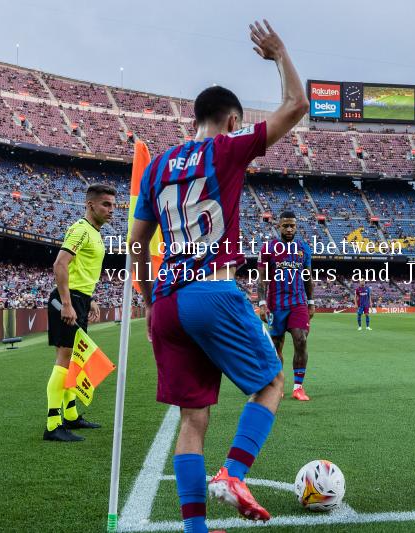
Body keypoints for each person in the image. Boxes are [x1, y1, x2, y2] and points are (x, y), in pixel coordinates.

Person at [129, 20, 308, 530]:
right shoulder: (226, 149)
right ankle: (233, 472)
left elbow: (138, 242)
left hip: (166, 301)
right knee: (272, 380)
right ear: (231, 120)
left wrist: (147, 301)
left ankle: (195, 528)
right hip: (211, 287)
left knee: (193, 417)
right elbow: (296, 105)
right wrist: (279, 54)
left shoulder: (159, 165)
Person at [44, 183, 115, 442]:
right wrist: (66, 302)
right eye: (106, 204)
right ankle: (53, 424)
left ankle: (71, 415)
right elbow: (60, 264)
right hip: (69, 300)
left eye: (113, 206)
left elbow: (82, 271)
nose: (111, 210)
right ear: (90, 204)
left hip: (80, 299)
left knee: (76, 359)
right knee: (64, 360)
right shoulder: (80, 230)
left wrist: (90, 299)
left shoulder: (95, 233)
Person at [258, 211, 314, 401]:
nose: (289, 229)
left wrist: (311, 302)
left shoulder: (304, 248)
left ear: (296, 227)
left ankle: (298, 387)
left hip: (298, 302)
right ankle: (278, 385)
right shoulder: (268, 248)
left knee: (301, 340)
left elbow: (307, 277)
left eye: (292, 225)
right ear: (279, 226)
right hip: (276, 304)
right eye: (285, 225)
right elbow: (262, 278)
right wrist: (262, 303)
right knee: (276, 346)